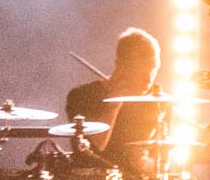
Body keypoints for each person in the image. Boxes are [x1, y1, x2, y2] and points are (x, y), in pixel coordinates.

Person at [63, 27, 164, 171]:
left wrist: (144, 163)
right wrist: (113, 106)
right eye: (142, 70)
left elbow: (164, 162)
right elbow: (91, 150)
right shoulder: (82, 96)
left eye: (153, 70)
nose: (149, 78)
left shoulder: (157, 103)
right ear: (121, 66)